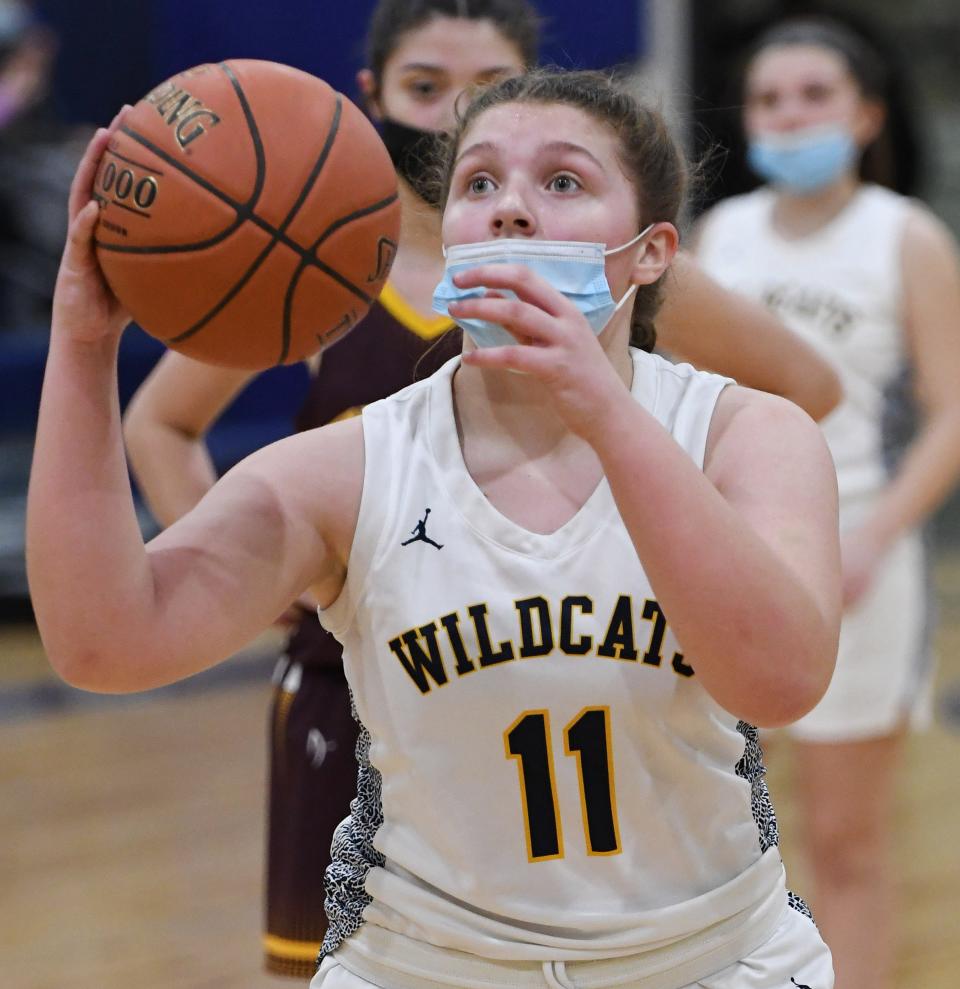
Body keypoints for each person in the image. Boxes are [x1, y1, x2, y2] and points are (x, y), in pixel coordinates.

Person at [30, 66, 842, 988]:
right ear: (447, 232)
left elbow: (779, 680)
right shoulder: (355, 465)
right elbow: (103, 643)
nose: (511, 210)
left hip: (713, 958)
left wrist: (603, 411)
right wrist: (85, 342)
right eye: (479, 184)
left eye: (564, 182)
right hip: (426, 964)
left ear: (651, 252)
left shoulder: (746, 435)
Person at [693, 17, 960, 989]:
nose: (789, 116)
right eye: (769, 100)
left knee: (845, 841)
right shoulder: (720, 236)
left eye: (813, 96)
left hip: (858, 569)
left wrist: (876, 538)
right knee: (715, 840)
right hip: (729, 562)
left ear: (866, 115)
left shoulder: (906, 235)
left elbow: (953, 411)